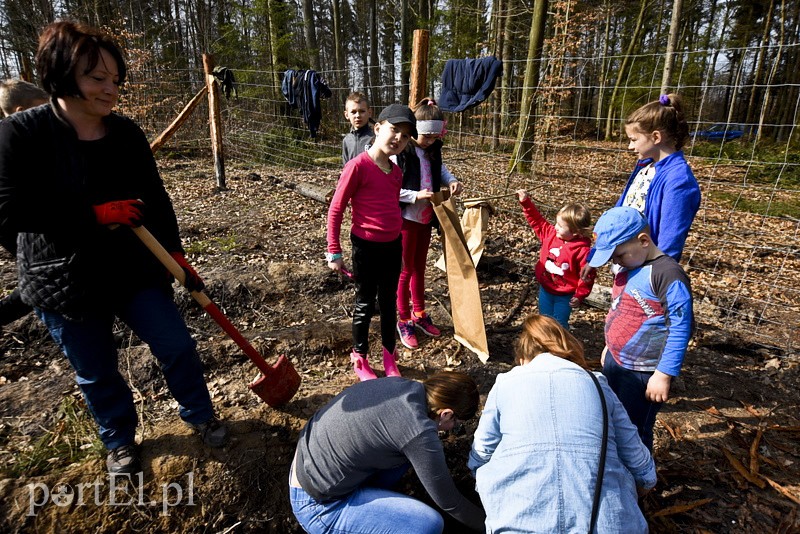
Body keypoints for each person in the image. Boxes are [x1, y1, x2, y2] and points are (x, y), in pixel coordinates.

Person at [0, 21, 227, 475]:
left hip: (132, 268)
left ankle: (201, 415)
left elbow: (155, 200)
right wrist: (93, 216)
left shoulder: (125, 133)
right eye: (97, 78)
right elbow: (7, 215)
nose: (111, 89)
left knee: (176, 344)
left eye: (115, 79)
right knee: (97, 370)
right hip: (63, 278)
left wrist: (177, 255)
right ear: (63, 75)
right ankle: (119, 439)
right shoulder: (20, 135)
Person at [468, 314, 656, 533]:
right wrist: (646, 482)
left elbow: (482, 451)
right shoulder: (596, 383)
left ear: (523, 357)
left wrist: (480, 478)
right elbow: (634, 453)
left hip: (519, 522)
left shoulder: (506, 382)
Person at [290, 371, 486, 533]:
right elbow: (450, 502)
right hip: (320, 507)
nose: (453, 429)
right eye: (456, 424)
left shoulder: (401, 385)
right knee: (428, 525)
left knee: (406, 457)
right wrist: (493, 527)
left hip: (305, 463)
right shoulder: (419, 432)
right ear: (446, 413)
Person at [588, 207, 694, 451]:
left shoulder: (667, 275)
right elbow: (621, 309)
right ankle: (615, 463)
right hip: (617, 360)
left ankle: (641, 480)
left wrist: (663, 374)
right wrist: (610, 346)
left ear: (643, 241)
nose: (615, 261)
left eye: (618, 255)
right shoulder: (628, 266)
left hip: (644, 371)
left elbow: (680, 327)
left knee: (635, 427)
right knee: (613, 414)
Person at [326, 103, 416, 380]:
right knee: (365, 302)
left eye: (405, 135)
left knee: (389, 303)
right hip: (365, 247)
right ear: (377, 129)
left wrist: (399, 247)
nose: (398, 138)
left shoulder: (396, 171)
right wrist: (334, 250)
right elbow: (336, 209)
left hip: (392, 246)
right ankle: (360, 357)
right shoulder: (357, 167)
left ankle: (390, 356)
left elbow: (392, 208)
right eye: (394, 130)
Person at [581, 93, 701, 281]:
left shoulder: (679, 181)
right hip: (626, 265)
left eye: (634, 139)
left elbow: (670, 241)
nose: (630, 146)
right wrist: (595, 256)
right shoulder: (646, 167)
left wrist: (651, 281)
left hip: (645, 275)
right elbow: (617, 217)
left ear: (656, 137)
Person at [394, 97, 462, 350]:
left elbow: (440, 169)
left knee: (420, 269)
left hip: (426, 218)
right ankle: (403, 319)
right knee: (404, 271)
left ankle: (419, 313)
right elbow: (391, 187)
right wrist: (415, 195)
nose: (431, 141)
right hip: (406, 219)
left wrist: (451, 180)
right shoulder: (402, 152)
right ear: (414, 131)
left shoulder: (433, 149)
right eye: (427, 137)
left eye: (435, 137)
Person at [0, 80, 48, 331]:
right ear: (20, 112)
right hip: (24, 232)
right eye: (42, 108)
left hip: (32, 231)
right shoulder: (10, 146)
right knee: (39, 280)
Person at [516, 190, 595, 330]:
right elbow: (537, 220)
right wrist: (525, 202)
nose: (556, 227)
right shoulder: (551, 234)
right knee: (544, 320)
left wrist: (580, 294)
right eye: (556, 223)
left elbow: (587, 275)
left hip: (565, 295)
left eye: (561, 226)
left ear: (575, 232)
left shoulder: (582, 250)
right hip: (546, 289)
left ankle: (558, 346)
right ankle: (545, 342)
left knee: (559, 325)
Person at [341, 91, 374, 164]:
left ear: (369, 112)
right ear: (346, 115)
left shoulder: (375, 138)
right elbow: (346, 167)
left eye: (362, 111)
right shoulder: (347, 140)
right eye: (353, 112)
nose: (358, 115)